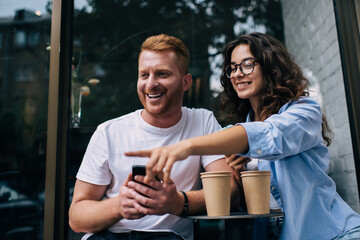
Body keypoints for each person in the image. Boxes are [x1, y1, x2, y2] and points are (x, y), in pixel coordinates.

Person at [126, 32, 360, 240]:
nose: (238, 74)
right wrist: (237, 172)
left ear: (270, 66)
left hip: (334, 233)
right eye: (232, 68)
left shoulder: (304, 111)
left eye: (247, 64)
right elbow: (246, 202)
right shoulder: (238, 131)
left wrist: (185, 147)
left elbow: (271, 135)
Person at [69, 33, 240, 240]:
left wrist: (177, 202)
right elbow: (76, 219)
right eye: (144, 75)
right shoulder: (108, 132)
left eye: (162, 74)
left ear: (186, 82)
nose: (150, 84)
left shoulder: (202, 122)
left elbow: (229, 192)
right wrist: (118, 206)